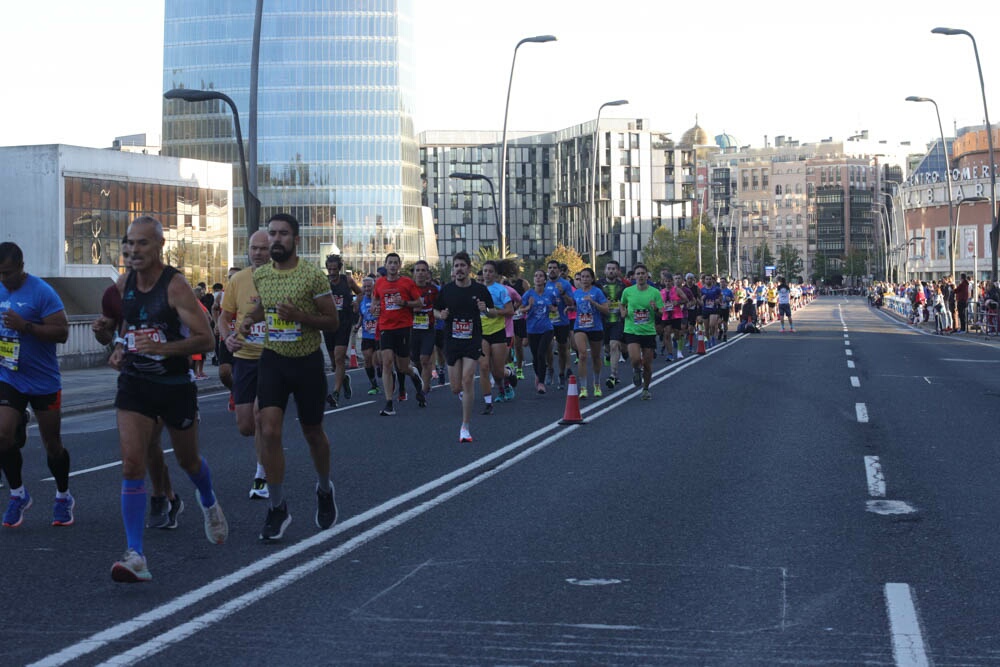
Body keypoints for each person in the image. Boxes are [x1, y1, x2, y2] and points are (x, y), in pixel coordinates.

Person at [109, 217, 227, 583]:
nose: (133, 251)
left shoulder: (175, 286)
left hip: (175, 384)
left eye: (142, 244)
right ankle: (135, 555)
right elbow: (128, 323)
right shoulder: (124, 282)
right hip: (135, 383)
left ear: (159, 246)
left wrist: (164, 348)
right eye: (129, 243)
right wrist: (115, 343)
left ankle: (207, 500)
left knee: (189, 461)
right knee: (132, 463)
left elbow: (206, 340)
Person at [239, 213, 340, 542]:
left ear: (296, 239)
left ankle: (324, 489)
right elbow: (264, 307)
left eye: (283, 234)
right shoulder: (263, 275)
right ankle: (277, 506)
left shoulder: (311, 276)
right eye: (272, 234)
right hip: (274, 360)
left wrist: (299, 316)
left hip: (307, 362)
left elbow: (332, 321)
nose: (276, 239)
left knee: (313, 433)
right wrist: (246, 320)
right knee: (267, 429)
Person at [92, 239, 183, 530]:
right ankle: (163, 496)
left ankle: (165, 494)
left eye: (138, 252)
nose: (133, 258)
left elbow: (195, 330)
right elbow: (109, 336)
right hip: (133, 378)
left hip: (169, 376)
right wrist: (102, 334)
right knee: (144, 447)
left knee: (161, 448)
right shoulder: (114, 292)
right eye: (128, 254)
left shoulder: (170, 285)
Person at [0, 242, 73, 528]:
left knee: (52, 445)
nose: (3, 279)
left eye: (7, 273)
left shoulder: (42, 292)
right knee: (2, 436)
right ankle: (18, 494)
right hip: (9, 376)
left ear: (21, 266)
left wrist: (25, 326)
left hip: (43, 381)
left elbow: (63, 333)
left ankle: (63, 496)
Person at [218, 229, 272, 499]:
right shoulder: (238, 280)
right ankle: (267, 447)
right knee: (246, 426)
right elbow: (223, 317)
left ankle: (261, 474)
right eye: (254, 248)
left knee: (262, 417)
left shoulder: (281, 278)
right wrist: (227, 338)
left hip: (273, 358)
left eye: (263, 248)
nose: (258, 253)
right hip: (244, 358)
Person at [433, 251, 495, 442]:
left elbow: (492, 313)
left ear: (469, 268)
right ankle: (462, 396)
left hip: (472, 339)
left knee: (468, 379)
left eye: (462, 265)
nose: (459, 269)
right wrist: (440, 315)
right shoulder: (447, 290)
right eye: (456, 266)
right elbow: (435, 310)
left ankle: (465, 427)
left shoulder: (480, 290)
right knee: (455, 387)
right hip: (452, 340)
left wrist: (486, 310)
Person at [372, 252, 425, 416]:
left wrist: (404, 303)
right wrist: (374, 309)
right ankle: (389, 403)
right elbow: (375, 302)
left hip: (403, 327)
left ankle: (413, 373)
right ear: (386, 265)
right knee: (387, 363)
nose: (393, 265)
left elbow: (420, 303)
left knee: (402, 366)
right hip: (385, 327)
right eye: (390, 263)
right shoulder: (379, 283)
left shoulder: (407, 283)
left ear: (399, 266)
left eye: (396, 263)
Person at [620, 264, 663, 400]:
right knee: (635, 359)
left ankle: (645, 389)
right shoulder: (628, 291)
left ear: (647, 276)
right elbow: (622, 303)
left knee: (647, 364)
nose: (640, 276)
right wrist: (623, 311)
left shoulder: (654, 292)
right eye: (638, 274)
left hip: (648, 331)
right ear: (634, 276)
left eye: (643, 273)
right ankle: (636, 370)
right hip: (631, 329)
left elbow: (661, 312)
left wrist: (655, 308)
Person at [323, 254, 361, 409]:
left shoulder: (347, 280)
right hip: (328, 324)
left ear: (339, 268)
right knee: (333, 363)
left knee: (339, 358)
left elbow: (360, 293)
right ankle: (344, 378)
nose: (332, 272)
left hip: (343, 323)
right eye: (329, 269)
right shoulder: (323, 283)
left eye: (334, 269)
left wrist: (356, 303)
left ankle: (335, 393)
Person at [479, 260, 515, 413]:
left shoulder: (500, 290)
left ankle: (509, 373)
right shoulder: (477, 289)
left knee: (498, 371)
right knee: (484, 366)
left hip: (498, 332)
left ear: (495, 274)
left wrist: (494, 311)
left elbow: (510, 311)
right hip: (481, 333)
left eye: (490, 271)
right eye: (485, 271)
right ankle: (488, 401)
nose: (487, 274)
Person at [572, 267, 610, 398]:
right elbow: (575, 306)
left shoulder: (597, 292)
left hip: (595, 327)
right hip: (580, 326)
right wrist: (569, 308)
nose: (585, 279)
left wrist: (593, 303)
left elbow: (606, 309)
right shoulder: (576, 293)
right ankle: (583, 388)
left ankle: (597, 384)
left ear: (592, 279)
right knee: (582, 354)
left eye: (587, 276)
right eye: (582, 277)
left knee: (595, 357)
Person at [519, 269, 556, 394]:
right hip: (532, 329)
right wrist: (528, 307)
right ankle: (538, 375)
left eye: (540, 276)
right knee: (535, 356)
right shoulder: (528, 294)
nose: (538, 278)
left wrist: (552, 308)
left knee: (541, 353)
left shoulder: (549, 294)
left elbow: (556, 307)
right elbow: (520, 309)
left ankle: (541, 382)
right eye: (536, 276)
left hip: (547, 328)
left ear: (545, 280)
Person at [409, 260, 439, 407]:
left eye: (423, 270)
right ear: (414, 273)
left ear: (427, 273)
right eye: (418, 270)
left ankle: (423, 391)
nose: (420, 273)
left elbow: (440, 307)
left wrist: (441, 314)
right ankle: (421, 381)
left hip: (428, 328)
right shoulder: (408, 289)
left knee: (425, 359)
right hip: (412, 329)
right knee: (415, 361)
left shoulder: (433, 290)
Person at [543, 260, 575, 388]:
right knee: (547, 347)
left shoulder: (565, 284)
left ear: (559, 270)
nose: (552, 270)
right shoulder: (543, 284)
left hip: (561, 321)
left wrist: (562, 293)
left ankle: (561, 374)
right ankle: (550, 369)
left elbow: (571, 303)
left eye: (554, 268)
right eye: (549, 267)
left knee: (562, 349)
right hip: (546, 322)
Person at [597, 260, 626, 389]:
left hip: (617, 321)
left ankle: (613, 375)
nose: (611, 271)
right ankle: (607, 355)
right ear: (605, 271)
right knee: (607, 348)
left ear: (618, 271)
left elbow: (627, 302)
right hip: (602, 320)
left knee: (615, 345)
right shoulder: (598, 285)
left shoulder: (623, 286)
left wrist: (623, 308)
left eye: (613, 268)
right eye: (609, 268)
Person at [353, 276, 381, 395]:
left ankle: (382, 370)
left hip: (379, 334)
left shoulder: (378, 299)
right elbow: (361, 315)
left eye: (369, 286)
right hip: (366, 334)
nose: (367, 288)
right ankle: (374, 384)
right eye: (365, 287)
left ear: (374, 286)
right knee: (367, 359)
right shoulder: (361, 300)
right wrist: (358, 325)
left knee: (377, 360)